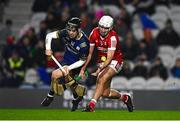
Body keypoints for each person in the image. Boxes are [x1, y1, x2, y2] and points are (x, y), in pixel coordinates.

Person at [79, 15, 134, 112]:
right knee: (105, 93)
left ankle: (91, 106)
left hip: (115, 61)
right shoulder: (94, 33)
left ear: (111, 28)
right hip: (102, 61)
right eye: (101, 26)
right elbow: (90, 54)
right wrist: (83, 68)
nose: (103, 30)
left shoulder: (113, 38)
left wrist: (98, 70)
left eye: (106, 28)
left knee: (101, 78)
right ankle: (125, 98)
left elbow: (109, 58)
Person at [41, 17, 90, 111]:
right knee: (70, 84)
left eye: (73, 30)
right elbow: (49, 35)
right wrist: (48, 48)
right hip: (66, 61)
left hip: (77, 65)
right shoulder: (66, 32)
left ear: (79, 30)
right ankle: (77, 98)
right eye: (69, 30)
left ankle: (50, 96)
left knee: (55, 74)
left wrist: (69, 67)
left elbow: (82, 61)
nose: (70, 32)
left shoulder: (84, 43)